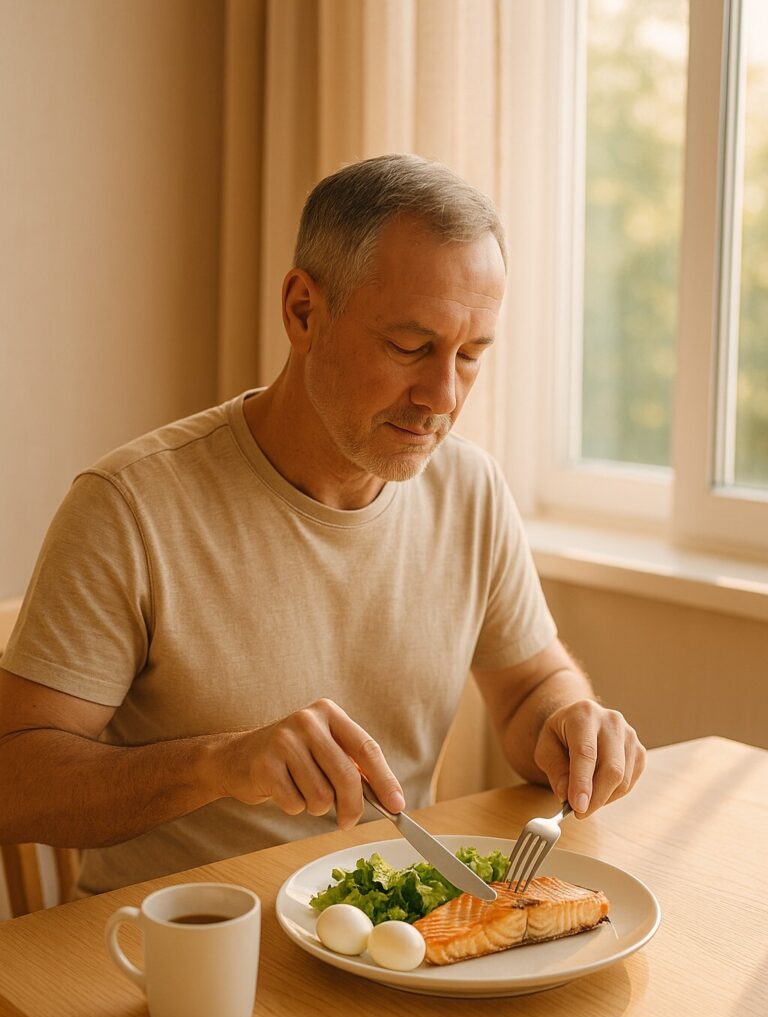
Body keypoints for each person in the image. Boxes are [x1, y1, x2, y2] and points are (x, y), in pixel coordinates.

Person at [0, 154, 644, 895]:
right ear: (304, 311)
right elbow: (15, 782)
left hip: (390, 936)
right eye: (410, 347)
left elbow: (531, 687)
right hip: (178, 943)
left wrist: (571, 722)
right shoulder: (129, 507)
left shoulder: (471, 491)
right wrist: (218, 764)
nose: (442, 395)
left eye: (469, 355)